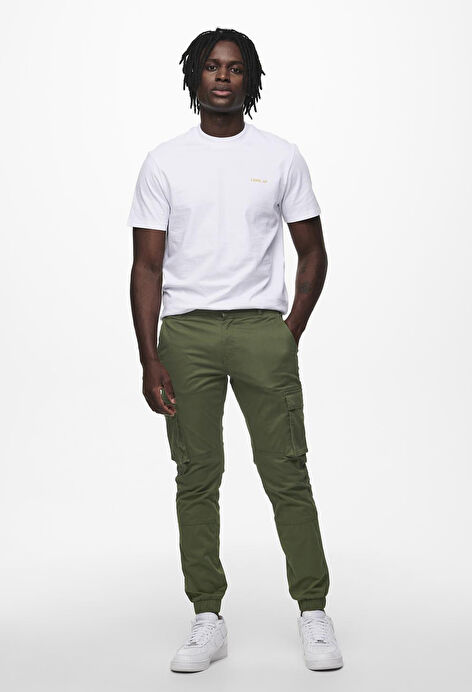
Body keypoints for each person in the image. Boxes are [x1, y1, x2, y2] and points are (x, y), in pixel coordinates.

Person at [126, 26, 344, 673]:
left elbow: (313, 251)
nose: (223, 77)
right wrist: (149, 356)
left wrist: (288, 330)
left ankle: (313, 610)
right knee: (196, 475)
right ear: (194, 76)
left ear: (250, 80)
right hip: (186, 334)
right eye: (212, 66)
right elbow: (146, 266)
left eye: (236, 68)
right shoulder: (164, 161)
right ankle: (206, 615)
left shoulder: (280, 157)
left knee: (286, 471)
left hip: (259, 330)